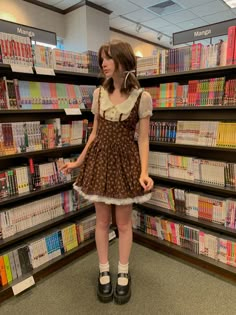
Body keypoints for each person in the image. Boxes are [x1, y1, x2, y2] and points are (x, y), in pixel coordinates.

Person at [60, 39, 154, 304]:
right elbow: (95, 134)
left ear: (124, 61)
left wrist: (144, 172)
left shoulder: (142, 97)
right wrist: (79, 161)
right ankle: (104, 270)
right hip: (100, 162)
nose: (103, 63)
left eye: (109, 58)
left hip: (125, 164)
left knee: (123, 223)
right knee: (102, 222)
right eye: (102, 59)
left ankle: (123, 272)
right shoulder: (98, 94)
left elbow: (144, 139)